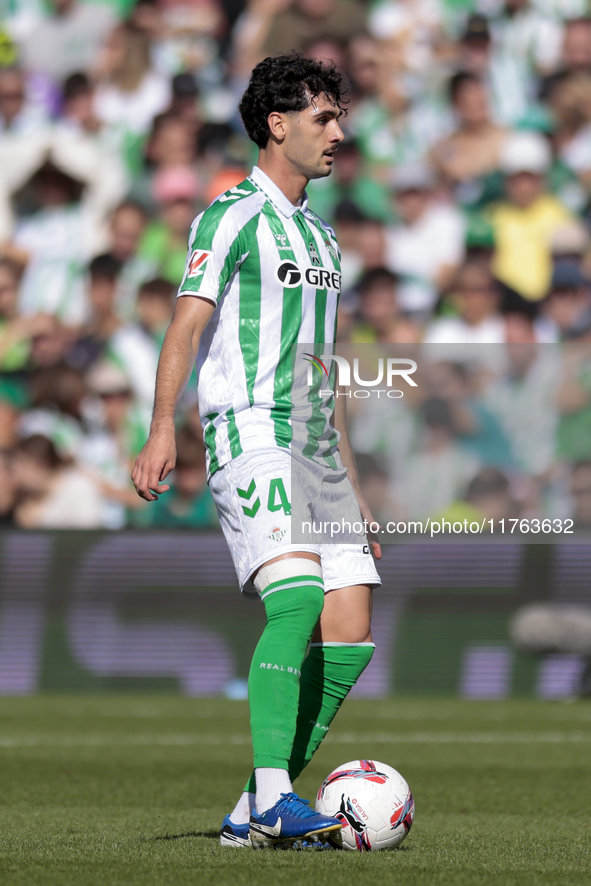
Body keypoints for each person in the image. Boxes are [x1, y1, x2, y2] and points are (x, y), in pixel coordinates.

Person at [132, 53, 381, 849]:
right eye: (323, 118)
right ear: (277, 123)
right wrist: (161, 425)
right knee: (298, 599)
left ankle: (250, 810)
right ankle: (277, 795)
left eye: (338, 117)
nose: (338, 132)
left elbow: (322, 366)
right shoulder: (231, 214)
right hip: (249, 429)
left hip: (316, 448)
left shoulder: (324, 238)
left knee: (349, 625)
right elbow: (188, 325)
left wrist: (354, 483)